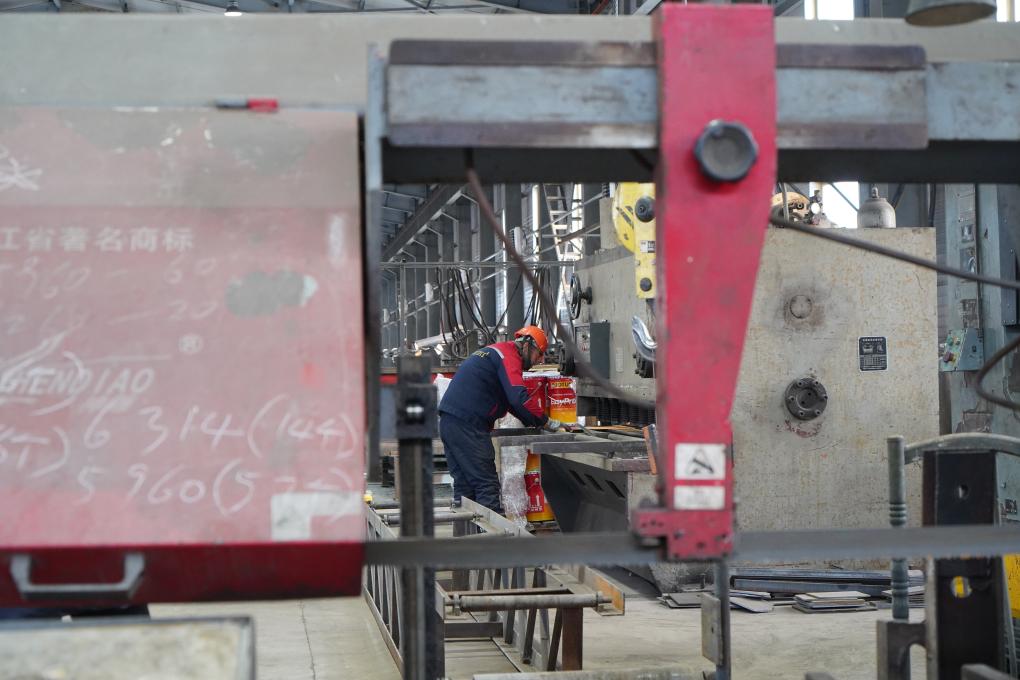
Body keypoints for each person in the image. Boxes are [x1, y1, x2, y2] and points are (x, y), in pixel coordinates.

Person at [438, 326, 562, 514]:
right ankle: (490, 534)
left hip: (450, 421)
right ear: (527, 345)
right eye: (539, 354)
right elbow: (518, 398)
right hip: (468, 425)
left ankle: (465, 532)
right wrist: (547, 422)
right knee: (486, 485)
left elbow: (511, 402)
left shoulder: (496, 353)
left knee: (465, 487)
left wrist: (534, 421)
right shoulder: (508, 356)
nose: (540, 360)